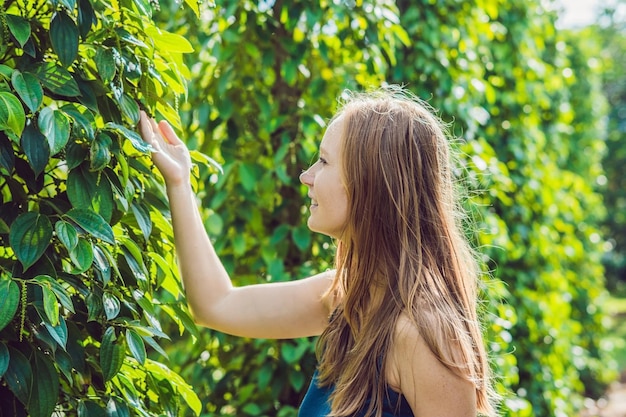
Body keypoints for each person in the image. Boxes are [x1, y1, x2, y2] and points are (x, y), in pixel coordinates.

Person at [138, 85, 499, 417]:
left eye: (324, 162)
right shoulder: (344, 296)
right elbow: (215, 305)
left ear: (370, 183)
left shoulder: (423, 336)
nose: (306, 175)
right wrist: (179, 180)